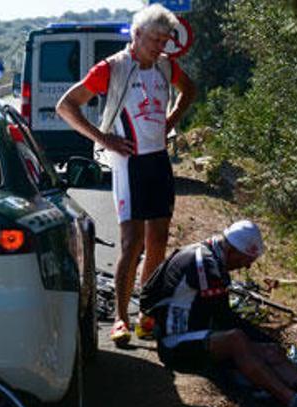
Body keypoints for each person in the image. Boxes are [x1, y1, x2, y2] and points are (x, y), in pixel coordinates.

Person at [56, 4, 196, 346]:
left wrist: (170, 123)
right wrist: (103, 139)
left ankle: (146, 313)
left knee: (158, 242)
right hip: (127, 162)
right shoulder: (113, 67)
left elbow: (189, 91)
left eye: (165, 39)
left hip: (158, 159)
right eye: (154, 39)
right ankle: (121, 317)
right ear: (136, 35)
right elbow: (66, 106)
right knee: (131, 243)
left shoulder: (165, 65)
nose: (160, 46)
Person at [140, 220, 297, 407]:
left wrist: (268, 344)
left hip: (196, 333)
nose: (245, 267)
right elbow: (224, 318)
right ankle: (293, 402)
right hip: (175, 344)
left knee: (271, 351)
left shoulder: (210, 252)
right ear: (233, 250)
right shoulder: (205, 264)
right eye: (245, 261)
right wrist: (256, 341)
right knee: (237, 340)